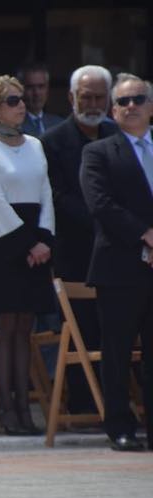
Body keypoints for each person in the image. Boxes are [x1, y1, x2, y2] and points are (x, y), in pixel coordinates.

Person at [0, 75, 55, 436]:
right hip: (5, 243)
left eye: (21, 99)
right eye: (11, 100)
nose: (21, 105)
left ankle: (26, 409)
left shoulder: (36, 144)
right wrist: (28, 244)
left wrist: (45, 241)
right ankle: (7, 410)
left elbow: (46, 193)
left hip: (38, 243)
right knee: (7, 327)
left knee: (26, 327)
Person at [80, 73, 153, 452]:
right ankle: (120, 427)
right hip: (120, 265)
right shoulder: (99, 152)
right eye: (123, 101)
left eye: (139, 99)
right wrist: (146, 234)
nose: (131, 106)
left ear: (151, 107)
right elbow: (100, 203)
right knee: (118, 352)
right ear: (113, 111)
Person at [41, 65, 116, 413]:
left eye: (100, 97)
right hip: (75, 249)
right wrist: (101, 218)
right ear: (72, 98)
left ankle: (117, 402)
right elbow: (56, 195)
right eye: (87, 97)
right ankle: (84, 406)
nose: (94, 104)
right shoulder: (52, 141)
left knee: (116, 328)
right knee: (81, 327)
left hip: (117, 249)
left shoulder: (117, 135)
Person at [16, 63, 63, 137]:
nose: (36, 93)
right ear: (20, 90)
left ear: (47, 88)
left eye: (41, 86)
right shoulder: (13, 125)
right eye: (30, 87)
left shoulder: (59, 124)